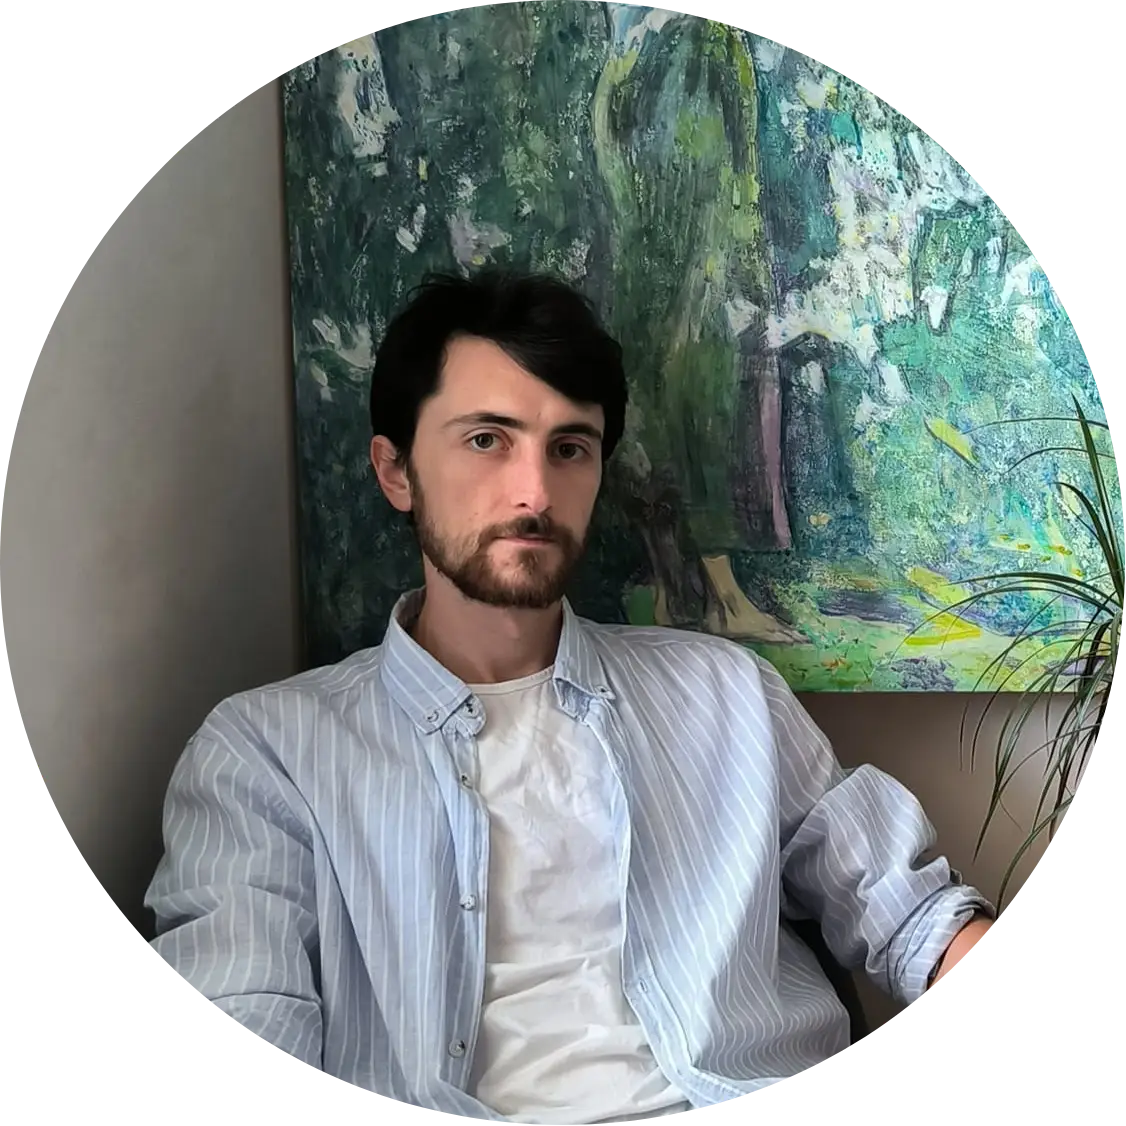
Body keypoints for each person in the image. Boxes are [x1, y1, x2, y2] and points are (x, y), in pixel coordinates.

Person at [144, 269, 995, 1121]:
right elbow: (244, 999)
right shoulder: (265, 754)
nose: (535, 493)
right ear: (396, 471)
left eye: (569, 447)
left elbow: (908, 912)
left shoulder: (726, 692)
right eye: (487, 439)